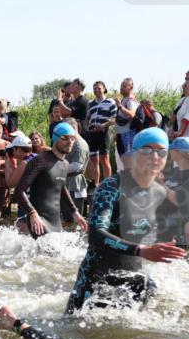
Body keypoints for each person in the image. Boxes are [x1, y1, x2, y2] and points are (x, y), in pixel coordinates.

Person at [65, 128, 186, 314]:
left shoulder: (161, 193)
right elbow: (96, 233)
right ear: (134, 153)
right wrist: (141, 250)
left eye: (161, 151)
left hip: (132, 282)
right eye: (147, 150)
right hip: (96, 281)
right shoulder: (112, 186)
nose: (154, 156)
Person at [14, 123, 88, 238]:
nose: (70, 142)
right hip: (38, 221)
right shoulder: (40, 161)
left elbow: (61, 188)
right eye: (65, 138)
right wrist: (32, 213)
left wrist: (75, 213)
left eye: (72, 138)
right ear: (55, 138)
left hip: (56, 223)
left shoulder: (65, 164)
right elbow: (19, 191)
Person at [85, 81, 117, 188]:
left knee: (105, 159)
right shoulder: (90, 103)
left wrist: (103, 125)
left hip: (104, 133)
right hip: (92, 134)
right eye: (94, 88)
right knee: (94, 161)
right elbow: (87, 118)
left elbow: (115, 118)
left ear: (104, 89)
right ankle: (96, 185)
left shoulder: (110, 102)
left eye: (99, 88)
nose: (96, 90)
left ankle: (108, 185)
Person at [63, 119, 90, 220]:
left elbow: (77, 165)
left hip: (75, 184)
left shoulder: (80, 145)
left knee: (75, 219)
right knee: (67, 218)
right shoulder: (72, 143)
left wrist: (58, 168)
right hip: (68, 182)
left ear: (74, 128)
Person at [115, 77, 139, 169]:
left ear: (131, 87)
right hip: (121, 134)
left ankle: (132, 180)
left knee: (129, 160)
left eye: (124, 86)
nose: (122, 88)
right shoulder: (124, 100)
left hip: (128, 134)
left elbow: (132, 114)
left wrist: (120, 106)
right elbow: (120, 118)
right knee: (124, 159)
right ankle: (127, 179)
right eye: (121, 86)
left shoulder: (131, 101)